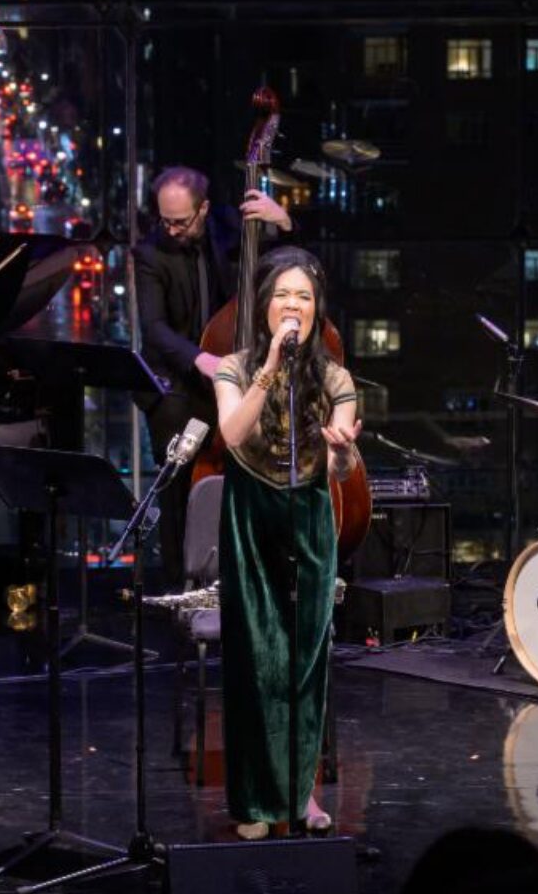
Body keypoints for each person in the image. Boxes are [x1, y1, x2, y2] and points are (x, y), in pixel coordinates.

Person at [210, 249, 359, 839]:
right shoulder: (233, 367)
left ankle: (302, 796)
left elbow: (342, 468)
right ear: (264, 306)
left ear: (317, 308)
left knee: (304, 663)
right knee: (255, 662)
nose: (292, 305)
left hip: (309, 518)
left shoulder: (335, 378)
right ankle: (254, 803)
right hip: (250, 516)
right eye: (282, 295)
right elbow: (232, 433)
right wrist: (269, 368)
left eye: (303, 296)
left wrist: (343, 452)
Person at [133, 164, 294, 586]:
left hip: (228, 374)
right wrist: (200, 359)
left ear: (203, 209)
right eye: (164, 220)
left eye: (180, 221)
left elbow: (282, 271)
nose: (171, 230)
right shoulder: (149, 253)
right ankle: (177, 585)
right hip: (176, 382)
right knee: (176, 486)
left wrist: (281, 224)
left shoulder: (228, 228)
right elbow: (154, 329)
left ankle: (242, 574)